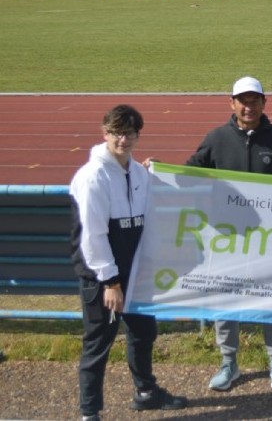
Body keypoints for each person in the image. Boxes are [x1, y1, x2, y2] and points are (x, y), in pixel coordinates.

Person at [70, 105, 187, 421]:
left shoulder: (137, 173)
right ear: (105, 133)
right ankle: (89, 411)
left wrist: (160, 171)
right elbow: (93, 236)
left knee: (144, 334)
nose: (123, 139)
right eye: (117, 133)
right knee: (98, 345)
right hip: (104, 278)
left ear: (138, 134)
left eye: (130, 133)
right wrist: (110, 281)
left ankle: (146, 392)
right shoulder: (93, 176)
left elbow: (155, 200)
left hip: (136, 274)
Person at [186, 76, 272, 392]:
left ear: (264, 103)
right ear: (232, 103)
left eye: (254, 100)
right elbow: (189, 172)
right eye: (243, 100)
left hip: (269, 239)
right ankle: (228, 362)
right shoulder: (217, 138)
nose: (248, 106)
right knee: (226, 299)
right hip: (227, 239)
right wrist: (157, 170)